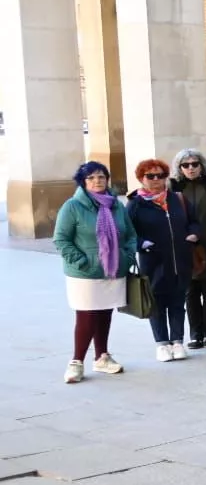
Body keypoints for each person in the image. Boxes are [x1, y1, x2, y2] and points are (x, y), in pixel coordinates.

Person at [54, 161, 137, 384]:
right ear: (83, 182)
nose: (97, 181)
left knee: (104, 312)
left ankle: (102, 356)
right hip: (85, 273)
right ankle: (76, 362)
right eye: (91, 178)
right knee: (87, 315)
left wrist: (127, 255)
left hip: (113, 269)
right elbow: (61, 239)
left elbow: (130, 234)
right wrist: (82, 261)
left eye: (101, 177)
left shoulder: (116, 205)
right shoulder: (72, 206)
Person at [128, 158, 200, 361]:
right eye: (150, 176)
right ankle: (161, 343)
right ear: (141, 179)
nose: (156, 180)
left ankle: (177, 341)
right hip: (153, 263)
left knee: (177, 303)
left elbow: (194, 222)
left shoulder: (177, 199)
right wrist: (142, 244)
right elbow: (127, 234)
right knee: (157, 304)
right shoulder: (135, 205)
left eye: (160, 175)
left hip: (179, 261)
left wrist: (193, 235)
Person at [171, 149, 206, 350]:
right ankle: (196, 335)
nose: (191, 168)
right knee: (190, 292)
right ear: (179, 168)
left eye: (195, 164)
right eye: (186, 165)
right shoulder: (173, 187)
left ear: (202, 165)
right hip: (185, 246)